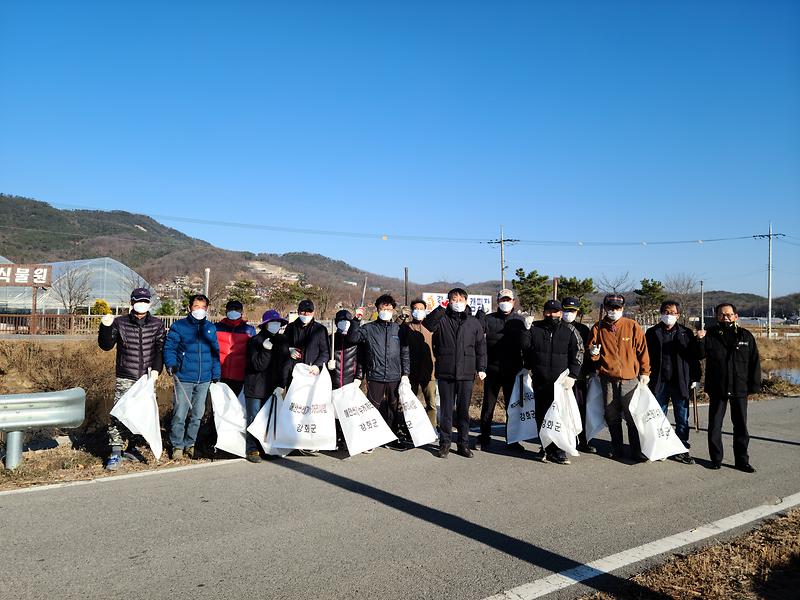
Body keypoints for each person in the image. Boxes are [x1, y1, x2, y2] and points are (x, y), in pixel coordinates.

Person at [97, 287, 165, 470]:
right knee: (119, 413)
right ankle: (115, 451)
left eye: (145, 301)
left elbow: (160, 349)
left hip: (147, 377)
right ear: (132, 303)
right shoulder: (120, 323)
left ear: (149, 303)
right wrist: (105, 327)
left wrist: (157, 370)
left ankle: (133, 447)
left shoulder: (157, 324)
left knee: (141, 414)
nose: (141, 304)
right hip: (125, 374)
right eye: (138, 301)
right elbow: (106, 345)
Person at [696, 303, 760, 472]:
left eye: (729, 314)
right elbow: (699, 355)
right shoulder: (710, 335)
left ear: (736, 316)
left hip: (740, 387)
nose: (726, 317)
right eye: (722, 314)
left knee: (740, 425)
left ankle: (741, 461)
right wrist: (700, 339)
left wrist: (753, 386)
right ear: (717, 316)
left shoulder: (746, 336)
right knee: (715, 425)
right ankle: (716, 459)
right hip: (718, 387)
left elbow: (754, 362)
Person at [423, 288, 487, 458]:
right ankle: (445, 443)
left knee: (463, 411)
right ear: (448, 301)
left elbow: (481, 347)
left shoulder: (474, 322)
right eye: (453, 299)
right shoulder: (442, 319)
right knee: (446, 410)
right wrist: (441, 308)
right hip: (446, 371)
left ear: (466, 301)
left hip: (466, 373)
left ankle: (463, 444)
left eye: (460, 299)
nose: (457, 302)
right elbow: (428, 324)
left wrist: (481, 368)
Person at [588, 293, 650, 461]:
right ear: (605, 308)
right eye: (610, 308)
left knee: (632, 416)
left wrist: (645, 372)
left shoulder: (632, 326)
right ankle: (617, 447)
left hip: (630, 379)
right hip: (607, 379)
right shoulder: (597, 327)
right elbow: (592, 352)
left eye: (617, 308)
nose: (614, 311)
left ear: (623, 308)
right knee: (611, 415)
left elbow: (642, 351)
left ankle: (636, 450)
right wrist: (593, 353)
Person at [521, 299, 584, 464]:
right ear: (544, 312)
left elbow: (578, 352)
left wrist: (573, 375)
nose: (551, 314)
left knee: (560, 416)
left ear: (560, 313)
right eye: (548, 311)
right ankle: (544, 447)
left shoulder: (569, 330)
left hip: (561, 383)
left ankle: (559, 450)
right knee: (542, 415)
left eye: (555, 312)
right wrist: (526, 330)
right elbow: (525, 348)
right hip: (540, 380)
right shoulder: (536, 328)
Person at [348, 295, 411, 448]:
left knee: (393, 408)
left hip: (394, 376)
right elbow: (352, 338)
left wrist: (405, 375)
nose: (386, 311)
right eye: (383, 308)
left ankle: (392, 438)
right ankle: (370, 439)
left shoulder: (399, 329)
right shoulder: (368, 328)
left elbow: (405, 353)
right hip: (375, 375)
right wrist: (356, 319)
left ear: (393, 310)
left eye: (389, 309)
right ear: (377, 309)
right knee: (372, 408)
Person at [164, 294, 221, 460]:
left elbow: (215, 353)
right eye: (196, 306)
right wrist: (171, 364)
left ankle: (191, 444)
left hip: (204, 379)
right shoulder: (179, 326)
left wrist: (216, 373)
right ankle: (177, 446)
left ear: (207, 309)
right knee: (180, 414)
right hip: (184, 377)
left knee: (197, 415)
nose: (199, 310)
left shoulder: (210, 328)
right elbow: (169, 348)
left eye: (203, 307)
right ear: (190, 308)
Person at [645, 300, 702, 465]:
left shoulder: (686, 333)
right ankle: (661, 447)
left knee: (682, 417)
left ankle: (681, 448)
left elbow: (694, 359)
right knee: (658, 416)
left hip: (681, 381)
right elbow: (644, 356)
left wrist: (696, 378)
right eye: (665, 312)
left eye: (672, 312)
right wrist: (644, 374)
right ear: (661, 313)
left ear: (678, 315)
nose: (668, 315)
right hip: (658, 381)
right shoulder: (652, 332)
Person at [477, 288, 525, 451]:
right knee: (488, 406)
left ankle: (512, 439)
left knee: (512, 407)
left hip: (513, 371)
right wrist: (480, 316)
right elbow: (478, 336)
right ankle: (484, 437)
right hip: (492, 370)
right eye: (502, 300)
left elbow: (527, 345)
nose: (505, 302)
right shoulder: (489, 319)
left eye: (508, 300)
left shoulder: (520, 321)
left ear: (513, 301)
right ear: (498, 302)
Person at [243, 309, 290, 463]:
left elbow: (285, 365)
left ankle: (266, 448)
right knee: (253, 418)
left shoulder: (282, 341)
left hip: (272, 387)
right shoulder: (255, 341)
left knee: (269, 419)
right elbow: (258, 365)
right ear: (265, 325)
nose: (276, 325)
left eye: (278, 323)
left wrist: (282, 385)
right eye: (272, 323)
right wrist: (265, 349)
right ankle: (252, 449)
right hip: (255, 386)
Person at [561, 296, 596, 453]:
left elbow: (586, 354)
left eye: (572, 311)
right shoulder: (557, 326)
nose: (569, 313)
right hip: (559, 377)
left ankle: (583, 440)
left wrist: (591, 368)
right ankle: (562, 440)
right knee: (561, 410)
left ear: (577, 312)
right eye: (566, 310)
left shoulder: (583, 329)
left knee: (580, 409)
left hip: (578, 377)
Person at [401, 299, 437, 428]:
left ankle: (432, 428)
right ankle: (409, 428)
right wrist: (401, 318)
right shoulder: (406, 327)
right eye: (416, 308)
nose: (419, 311)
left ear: (426, 311)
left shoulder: (430, 327)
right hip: (411, 371)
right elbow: (396, 331)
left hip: (429, 371)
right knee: (409, 402)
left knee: (431, 403)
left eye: (421, 309)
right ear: (411, 311)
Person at [215, 300, 256, 396]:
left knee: (234, 406)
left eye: (236, 309)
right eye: (231, 309)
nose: (233, 311)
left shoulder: (249, 330)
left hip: (239, 375)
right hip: (219, 374)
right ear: (226, 311)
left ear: (241, 312)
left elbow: (253, 352)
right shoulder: (216, 327)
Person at [282, 299, 330, 380]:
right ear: (298, 312)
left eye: (309, 311)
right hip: (294, 373)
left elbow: (325, 352)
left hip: (312, 373)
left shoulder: (320, 330)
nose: (306, 314)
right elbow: (282, 346)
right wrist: (289, 350)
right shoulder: (290, 328)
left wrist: (317, 365)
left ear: (313, 312)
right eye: (303, 311)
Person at [327, 309, 364, 390]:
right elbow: (324, 355)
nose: (344, 323)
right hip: (333, 382)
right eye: (341, 321)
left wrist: (359, 377)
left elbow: (361, 360)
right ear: (336, 323)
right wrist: (327, 365)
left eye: (347, 321)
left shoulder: (356, 340)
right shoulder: (331, 339)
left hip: (351, 382)